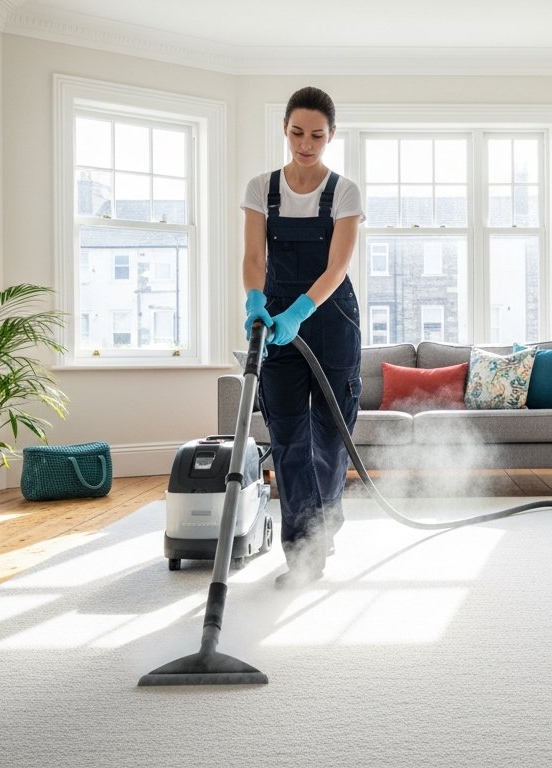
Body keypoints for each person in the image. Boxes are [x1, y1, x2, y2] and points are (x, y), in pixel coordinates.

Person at [240, 87, 364, 588]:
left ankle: (324, 522)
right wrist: (256, 300)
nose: (305, 144)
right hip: (275, 324)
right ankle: (304, 555)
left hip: (332, 319)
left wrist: (300, 311)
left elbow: (337, 267)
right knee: (289, 437)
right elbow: (255, 257)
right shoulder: (261, 188)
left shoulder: (345, 192)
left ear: (331, 135)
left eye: (316, 135)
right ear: (285, 130)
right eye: (296, 133)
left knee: (330, 437)